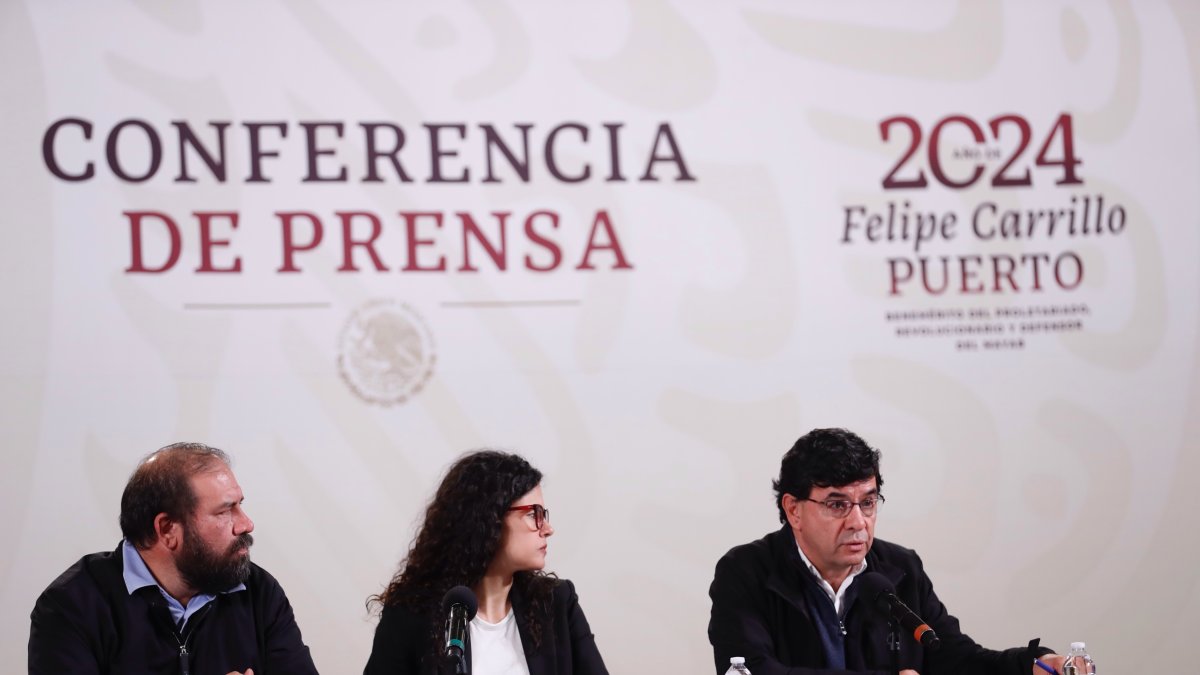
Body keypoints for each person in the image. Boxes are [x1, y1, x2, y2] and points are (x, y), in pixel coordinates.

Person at [707, 428, 1069, 675]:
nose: (858, 522)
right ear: (793, 509)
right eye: (837, 505)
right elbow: (752, 669)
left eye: (868, 502)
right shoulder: (747, 572)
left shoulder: (899, 568)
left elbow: (954, 657)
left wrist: (1031, 664)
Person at [28, 442, 319, 675]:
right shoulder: (71, 605)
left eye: (240, 506)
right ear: (167, 530)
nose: (245, 524)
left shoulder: (258, 591)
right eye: (224, 511)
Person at [364, 450, 607, 675]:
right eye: (534, 514)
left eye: (544, 514)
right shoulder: (410, 615)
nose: (548, 529)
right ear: (489, 519)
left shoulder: (557, 603)